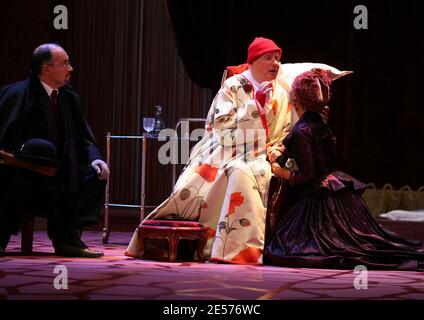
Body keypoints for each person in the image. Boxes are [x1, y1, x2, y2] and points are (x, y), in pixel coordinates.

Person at [126, 37, 296, 264]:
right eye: (269, 58)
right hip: (224, 148)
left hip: (262, 154)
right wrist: (253, 105)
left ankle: (235, 250)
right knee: (219, 176)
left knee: (244, 171)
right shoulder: (233, 87)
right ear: (254, 61)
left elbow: (285, 131)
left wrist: (273, 150)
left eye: (277, 58)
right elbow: (221, 128)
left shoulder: (282, 95)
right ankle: (213, 245)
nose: (275, 63)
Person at [265, 69, 424, 270]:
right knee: (363, 241)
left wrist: (279, 171)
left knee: (284, 248)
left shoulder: (303, 130)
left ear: (296, 99)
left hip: (321, 200)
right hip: (340, 193)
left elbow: (308, 175)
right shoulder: (318, 123)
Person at [0, 43, 109, 258]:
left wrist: (96, 159)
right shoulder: (16, 95)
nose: (71, 68)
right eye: (65, 64)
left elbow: (84, 137)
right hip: (27, 172)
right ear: (46, 68)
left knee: (95, 175)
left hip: (62, 173)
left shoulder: (68, 97)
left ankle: (67, 239)